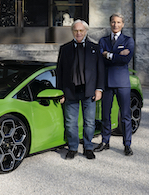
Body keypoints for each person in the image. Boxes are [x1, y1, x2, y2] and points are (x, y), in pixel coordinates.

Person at [56, 20, 105, 160]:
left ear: (86, 31)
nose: (78, 33)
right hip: (70, 91)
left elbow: (100, 71)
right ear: (72, 31)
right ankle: (72, 148)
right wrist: (60, 92)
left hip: (89, 91)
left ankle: (88, 147)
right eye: (76, 30)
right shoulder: (65, 49)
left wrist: (99, 89)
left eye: (81, 31)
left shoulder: (94, 48)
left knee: (89, 122)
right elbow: (59, 71)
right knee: (71, 122)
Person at [95, 13, 135, 156]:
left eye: (118, 22)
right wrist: (117, 55)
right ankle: (105, 142)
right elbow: (100, 59)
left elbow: (126, 60)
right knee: (106, 114)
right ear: (110, 23)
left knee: (125, 115)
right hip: (106, 83)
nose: (115, 25)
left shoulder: (129, 41)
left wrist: (109, 55)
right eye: (113, 22)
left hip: (122, 83)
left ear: (122, 24)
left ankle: (127, 144)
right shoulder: (103, 40)